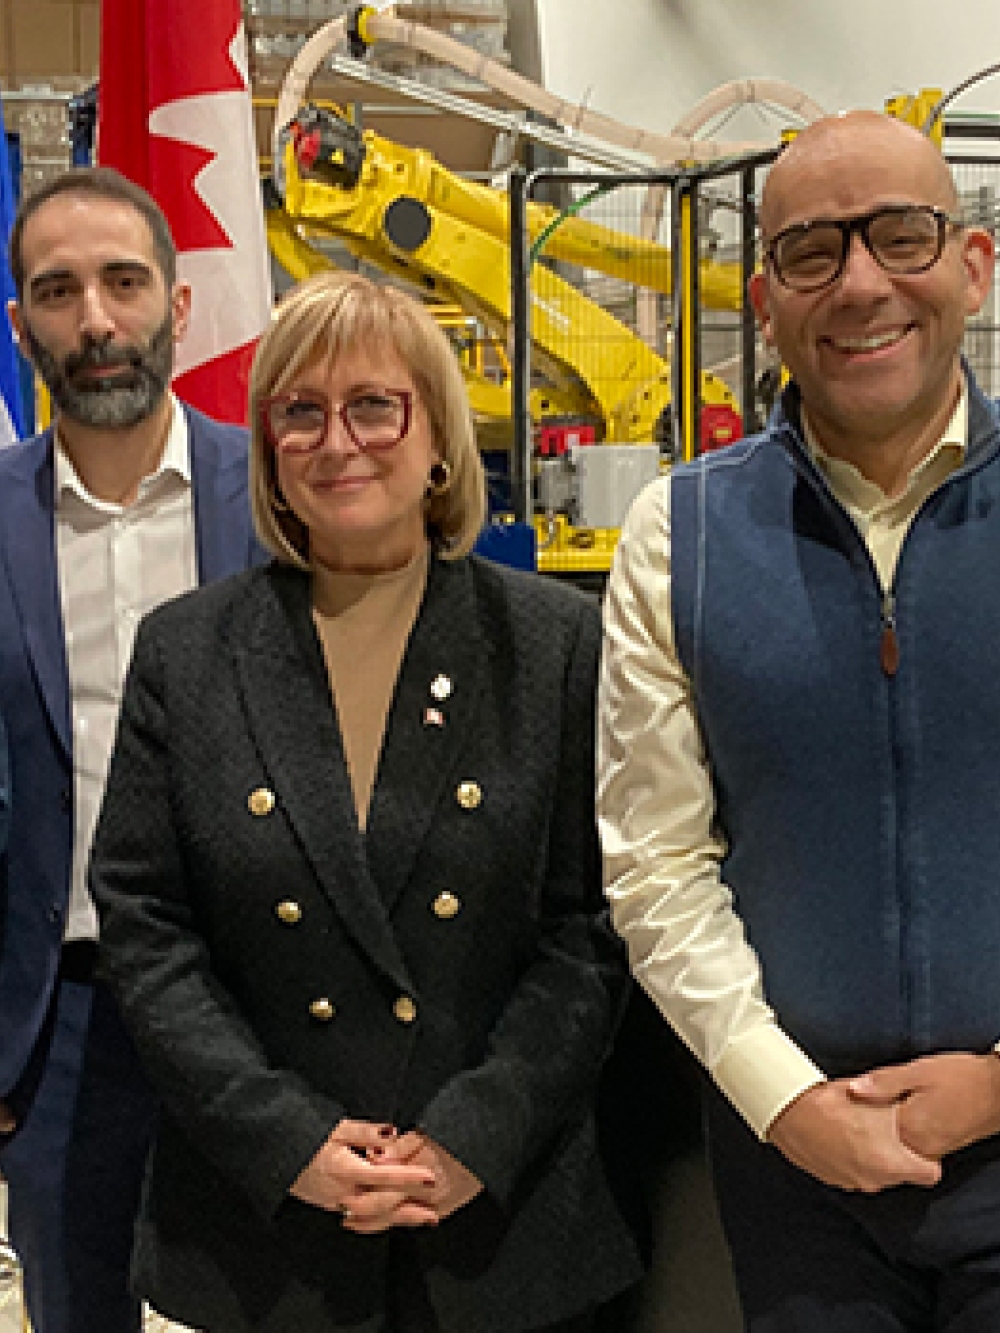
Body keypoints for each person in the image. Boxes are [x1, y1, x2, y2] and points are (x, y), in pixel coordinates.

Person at [87, 268, 643, 1333]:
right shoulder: (187, 651)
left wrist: (475, 1134)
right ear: (269, 455)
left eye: (375, 405)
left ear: (438, 436)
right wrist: (286, 1139)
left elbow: (591, 930)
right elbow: (146, 929)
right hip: (261, 1242)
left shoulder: (555, 643)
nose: (337, 439)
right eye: (300, 412)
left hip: (498, 1230)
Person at [597, 109, 1000, 1333]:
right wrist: (788, 1101)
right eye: (812, 250)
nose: (861, 282)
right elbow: (655, 863)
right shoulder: (679, 537)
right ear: (764, 301)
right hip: (796, 1180)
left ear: (974, 268)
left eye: (901, 235)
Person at [0, 165, 263, 1333]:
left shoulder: (276, 497)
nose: (96, 320)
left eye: (123, 282)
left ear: (181, 306)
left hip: (263, 1009)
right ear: (19, 326)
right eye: (57, 292)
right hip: (53, 1029)